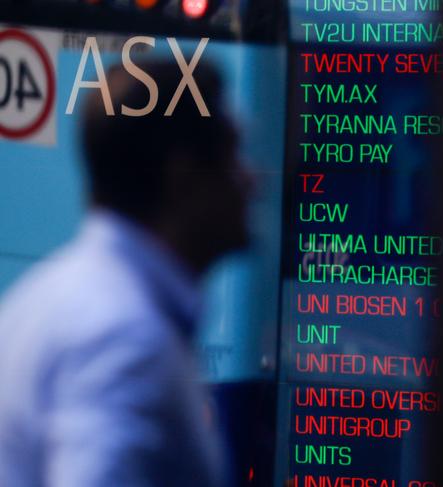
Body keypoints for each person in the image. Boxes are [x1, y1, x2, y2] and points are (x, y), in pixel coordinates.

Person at [0, 59, 250, 486]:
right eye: (231, 160)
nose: (249, 182)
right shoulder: (124, 338)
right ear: (182, 180)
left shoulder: (43, 296)